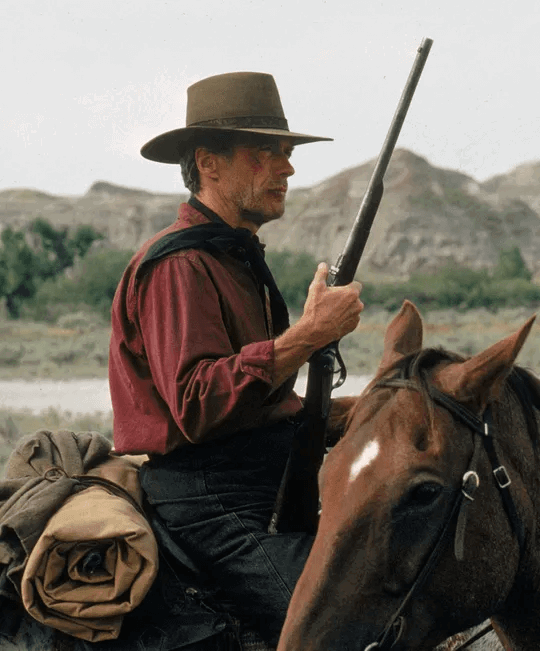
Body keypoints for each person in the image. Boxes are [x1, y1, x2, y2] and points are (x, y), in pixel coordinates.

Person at [108, 71, 364, 644]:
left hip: (257, 484)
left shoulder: (232, 257)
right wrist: (306, 336)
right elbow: (197, 403)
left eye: (286, 152)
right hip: (210, 501)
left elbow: (263, 404)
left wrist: (382, 407)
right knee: (339, 628)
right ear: (209, 163)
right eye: (265, 153)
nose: (288, 168)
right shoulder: (179, 266)